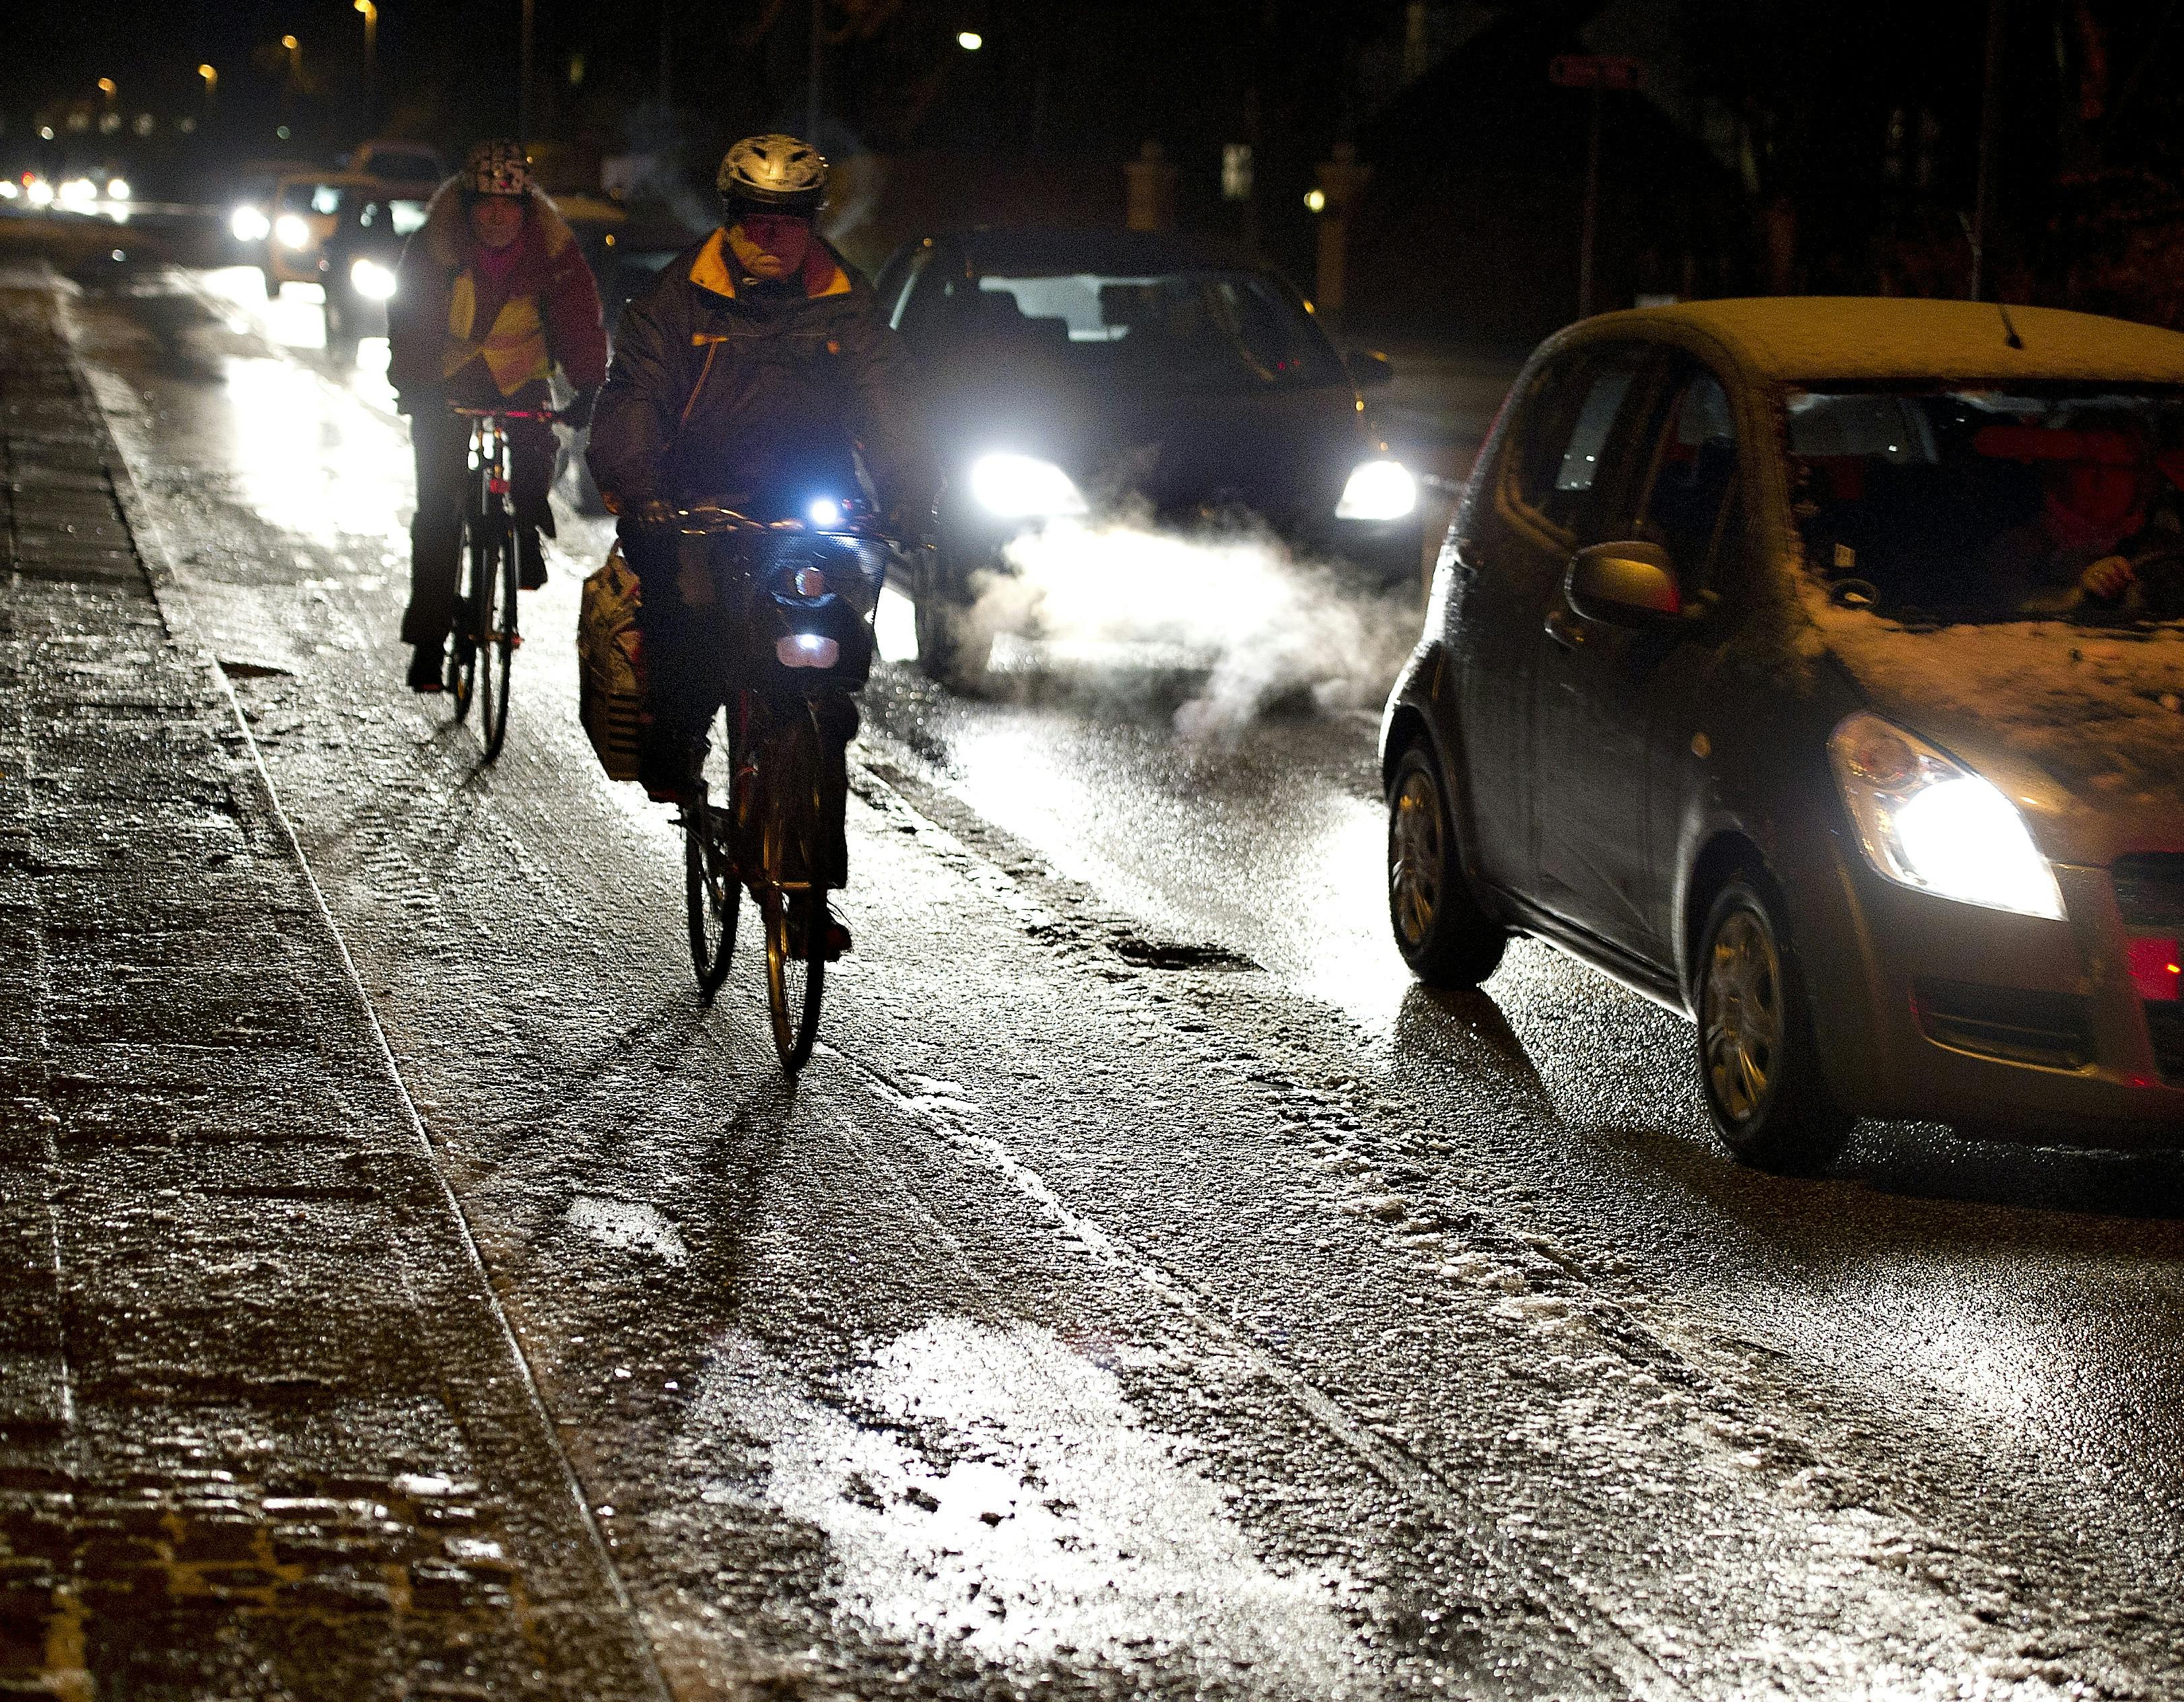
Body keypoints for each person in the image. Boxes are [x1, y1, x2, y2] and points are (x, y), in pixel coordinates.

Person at [588, 134, 932, 803]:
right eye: (756, 216)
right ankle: (682, 739)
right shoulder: (677, 297)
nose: (773, 234)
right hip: (697, 493)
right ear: (731, 217)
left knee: (833, 646)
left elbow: (886, 390)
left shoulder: (842, 297)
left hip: (810, 493)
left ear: (815, 221)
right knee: (687, 629)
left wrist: (911, 484)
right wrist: (641, 487)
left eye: (792, 218)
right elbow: (635, 391)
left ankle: (805, 836)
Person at [388, 139, 608, 692]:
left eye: (507, 205)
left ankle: (524, 527)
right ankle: (429, 644)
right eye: (483, 204)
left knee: (536, 462)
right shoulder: (434, 248)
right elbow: (410, 316)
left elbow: (579, 317)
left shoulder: (552, 250)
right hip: (446, 384)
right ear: (465, 207)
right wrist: (413, 385)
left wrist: (587, 386)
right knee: (438, 510)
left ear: (525, 208)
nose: (495, 217)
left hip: (520, 379)